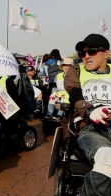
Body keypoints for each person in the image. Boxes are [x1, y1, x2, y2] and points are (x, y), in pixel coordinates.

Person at [64, 34, 111, 195]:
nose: (86, 56)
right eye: (82, 53)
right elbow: (75, 94)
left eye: (91, 51)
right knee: (107, 159)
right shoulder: (76, 70)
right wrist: (89, 111)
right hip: (91, 127)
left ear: (106, 53)